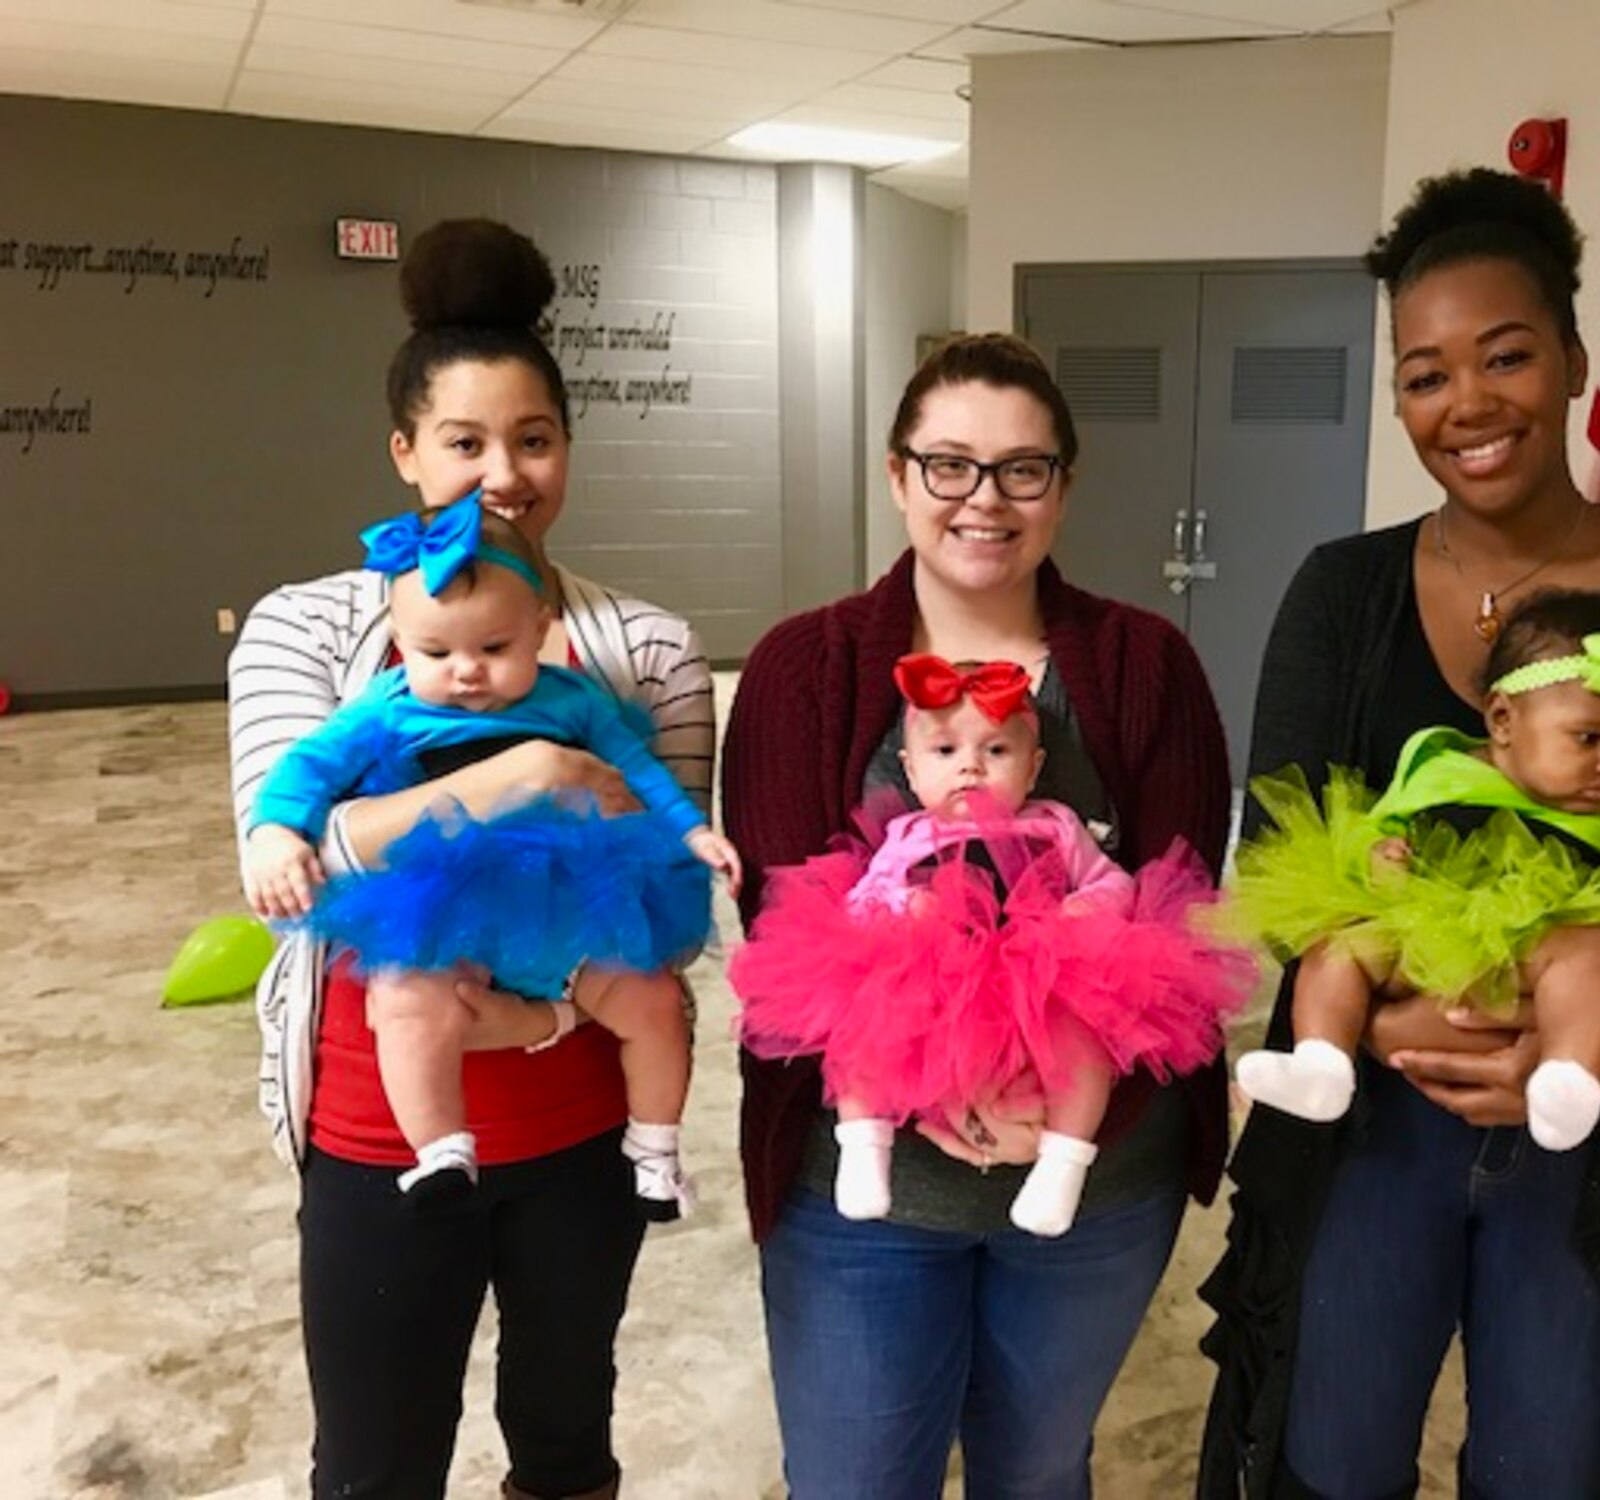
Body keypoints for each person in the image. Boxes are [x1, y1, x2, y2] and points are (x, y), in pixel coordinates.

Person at [1196, 167, 1600, 1499]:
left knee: (1549, 1468)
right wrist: (1380, 1021)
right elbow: (1281, 854)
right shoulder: (1342, 593)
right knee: (1333, 1458)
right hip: (1375, 1123)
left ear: (1577, 362)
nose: (1465, 403)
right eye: (1424, 373)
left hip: (1594, 1126)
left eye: (1505, 356)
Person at [228, 217, 715, 1500]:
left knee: (565, 1444)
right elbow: (293, 872)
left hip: (578, 1127)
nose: (503, 473)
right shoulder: (303, 627)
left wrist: (539, 1014)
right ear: (405, 453)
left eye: (535, 439)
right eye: (463, 441)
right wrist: (531, 774)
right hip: (380, 1123)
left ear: (567, 449)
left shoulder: (648, 649)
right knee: (377, 1463)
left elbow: (665, 911)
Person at [722, 332, 1234, 1496]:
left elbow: (1179, 922)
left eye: (1021, 469)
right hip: (860, 1190)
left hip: (1088, 1178)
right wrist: (922, 1080)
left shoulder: (1144, 665)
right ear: (897, 475)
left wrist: (1067, 1111)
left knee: (1036, 1473)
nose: (982, 500)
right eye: (947, 464)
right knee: (854, 1479)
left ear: (1062, 485)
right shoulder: (803, 669)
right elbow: (779, 934)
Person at [241, 496, 740, 1215]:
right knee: (407, 1004)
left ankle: (655, 1148)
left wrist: (693, 833)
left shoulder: (576, 700)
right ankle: (441, 1150)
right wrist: (276, 831)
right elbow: (306, 768)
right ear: (399, 641)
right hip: (447, 918)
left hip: (569, 915)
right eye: (435, 654)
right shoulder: (387, 706)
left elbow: (639, 769)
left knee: (655, 1003)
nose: (466, 672)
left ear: (540, 628)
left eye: (495, 649)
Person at [731, 651, 1247, 1238]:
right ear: (911, 769)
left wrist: (1085, 907)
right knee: (864, 1026)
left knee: (1084, 1039)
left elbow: (1116, 883)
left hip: (1043, 976)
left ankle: (1062, 1164)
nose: (970, 768)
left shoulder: (1055, 824)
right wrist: (906, 908)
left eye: (996, 750)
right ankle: (864, 1148)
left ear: (1034, 767)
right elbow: (863, 902)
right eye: (945, 751)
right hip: (931, 981)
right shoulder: (908, 834)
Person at [1228, 593, 1600, 1153]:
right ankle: (1322, 1063)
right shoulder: (1438, 765)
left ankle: (1567, 1076)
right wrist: (1374, 855)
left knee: (1598, 954)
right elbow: (1371, 824)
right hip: (1418, 934)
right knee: (1337, 947)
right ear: (1501, 719)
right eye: (1589, 737)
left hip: (1537, 948)